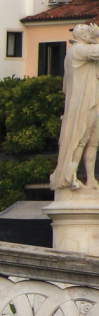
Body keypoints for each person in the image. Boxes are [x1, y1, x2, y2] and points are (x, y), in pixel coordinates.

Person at [53, 23, 99, 191]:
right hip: (83, 103)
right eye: (89, 33)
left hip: (92, 102)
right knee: (80, 140)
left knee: (93, 142)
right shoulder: (78, 50)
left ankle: (91, 179)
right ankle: (69, 176)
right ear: (83, 36)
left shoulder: (87, 55)